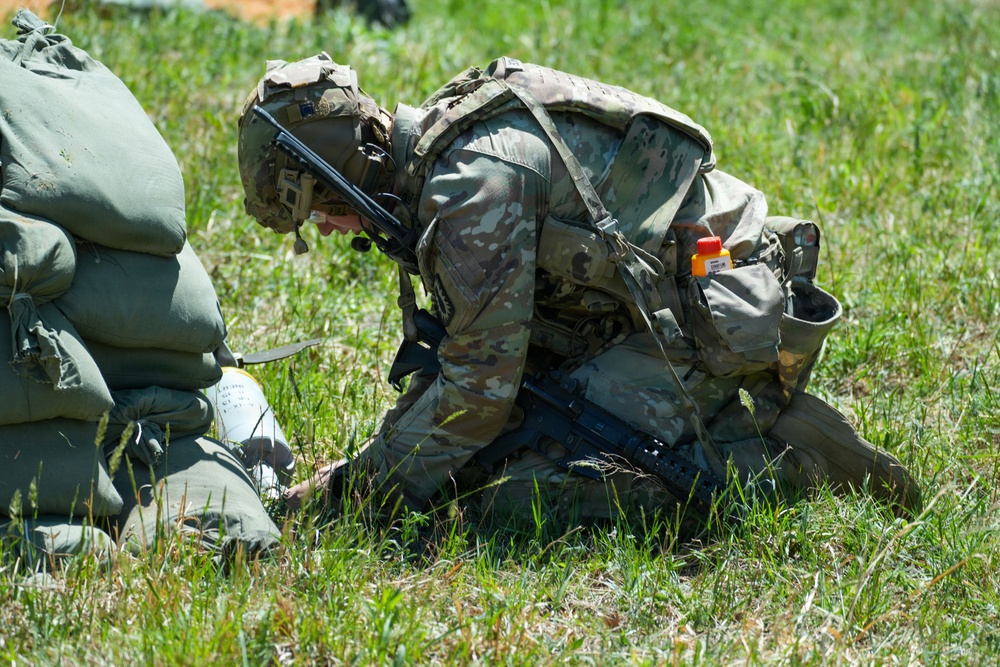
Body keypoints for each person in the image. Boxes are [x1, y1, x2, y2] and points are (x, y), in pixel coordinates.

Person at [236, 53, 920, 525]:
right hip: (659, 302)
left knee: (516, 495)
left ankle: (772, 459)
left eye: (320, 211)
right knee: (474, 456)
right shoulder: (446, 152)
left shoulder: (470, 191)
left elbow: (476, 395)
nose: (326, 229)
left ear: (339, 174)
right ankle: (712, 413)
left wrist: (351, 498)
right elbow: (479, 360)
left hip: (715, 310)